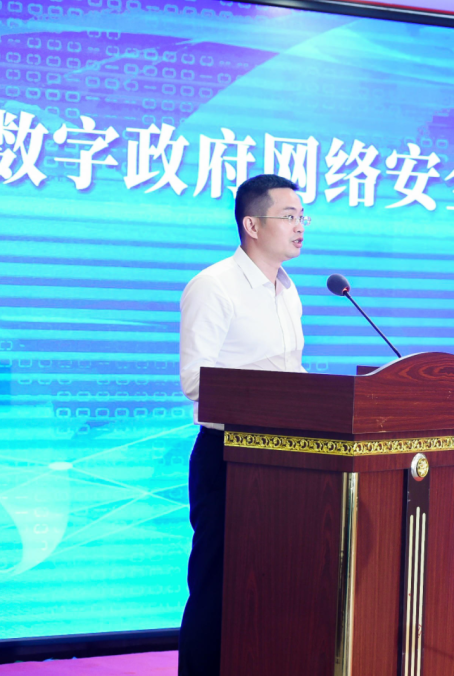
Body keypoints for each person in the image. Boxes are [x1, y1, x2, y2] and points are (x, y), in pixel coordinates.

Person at [177, 174, 310, 675]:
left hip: (281, 461)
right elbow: (195, 379)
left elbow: (289, 371)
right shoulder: (214, 286)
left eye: (303, 217)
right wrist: (273, 389)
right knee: (217, 587)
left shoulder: (288, 291)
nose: (300, 226)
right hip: (228, 457)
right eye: (288, 216)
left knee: (271, 588)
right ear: (252, 225)